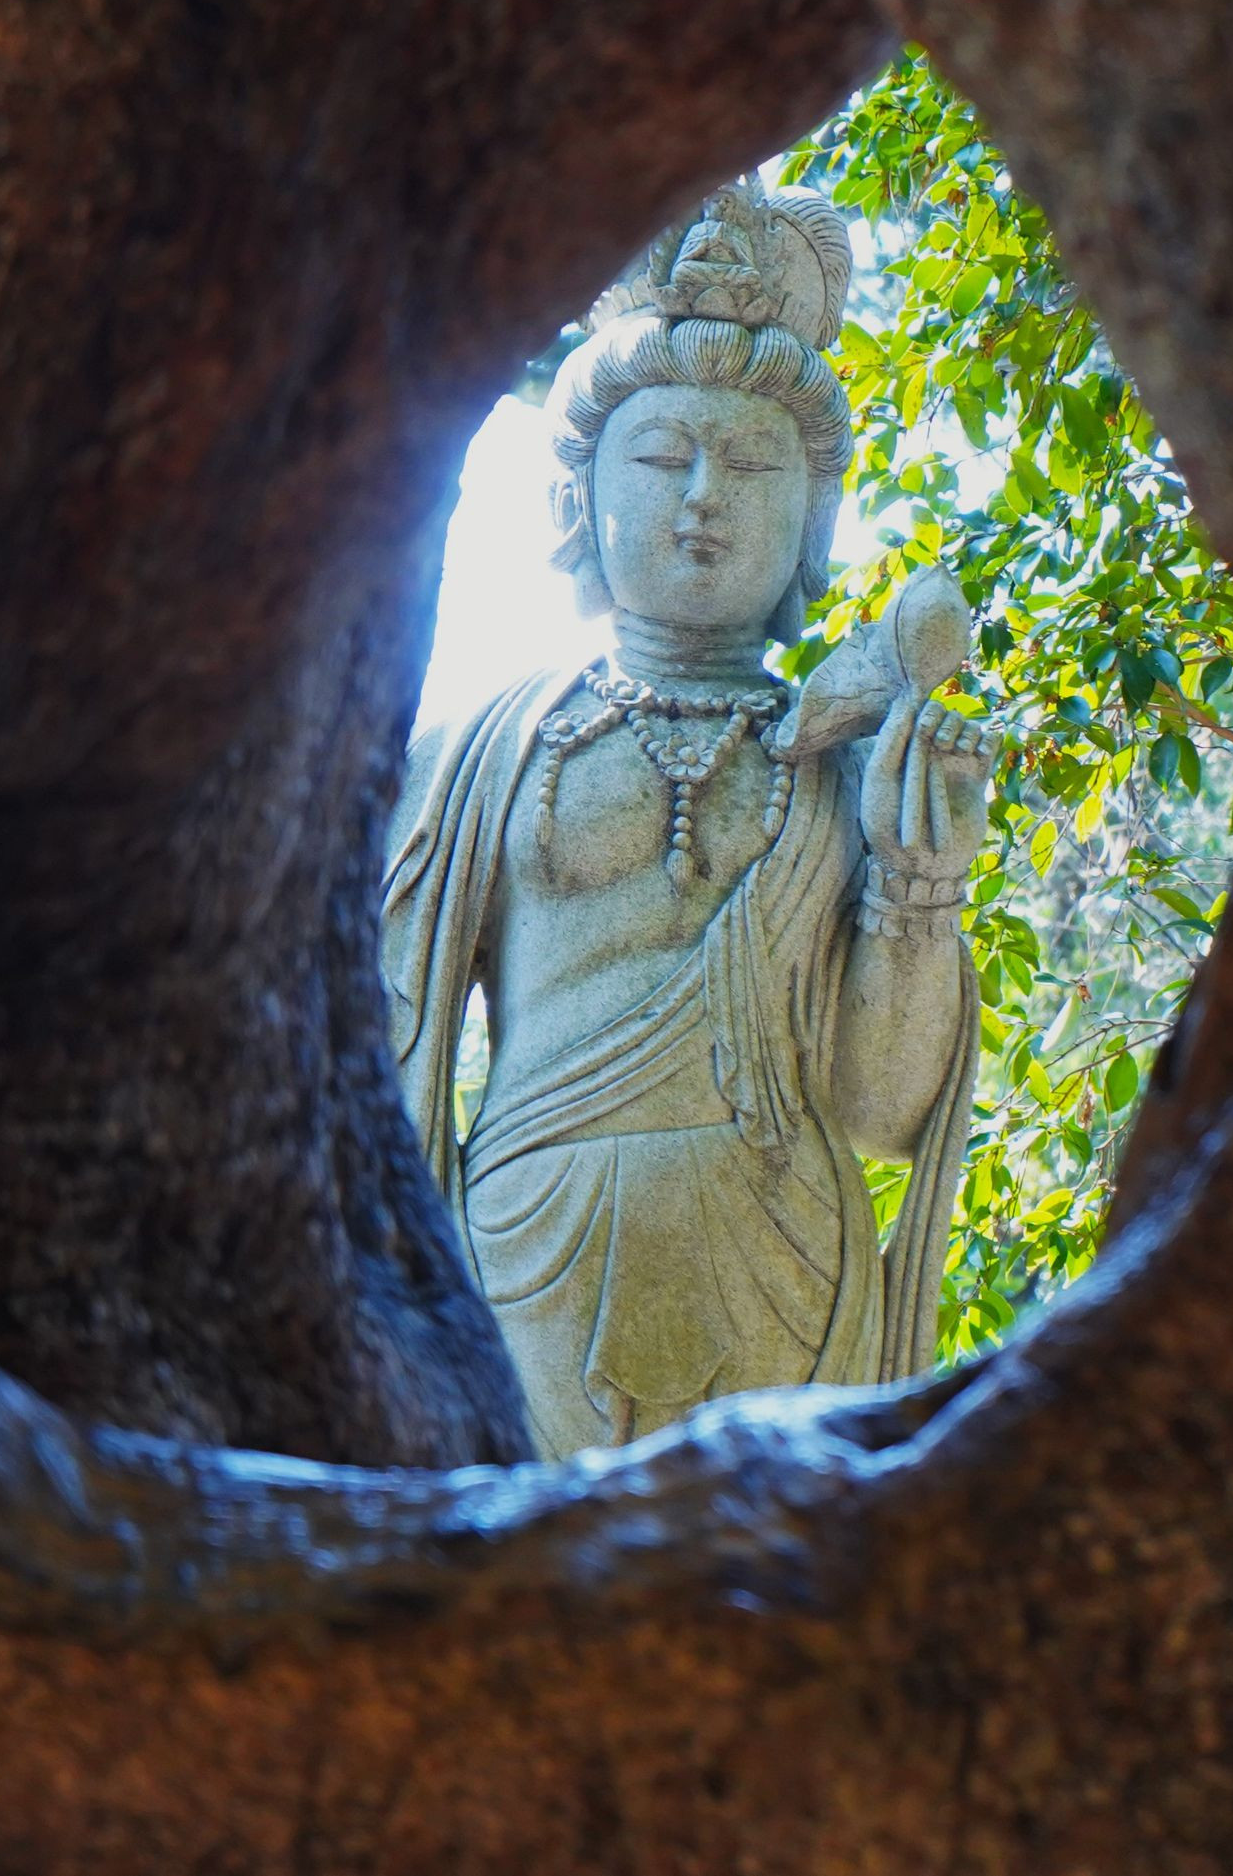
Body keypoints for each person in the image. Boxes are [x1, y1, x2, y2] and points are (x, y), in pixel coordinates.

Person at [380, 180, 993, 1455]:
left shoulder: (844, 769)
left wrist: (918, 891)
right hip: (521, 1269)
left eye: (752, 464)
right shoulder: (477, 757)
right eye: (662, 458)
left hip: (788, 1269)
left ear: (812, 516)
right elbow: (372, 1072)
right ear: (576, 499)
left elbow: (882, 1115)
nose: (704, 495)